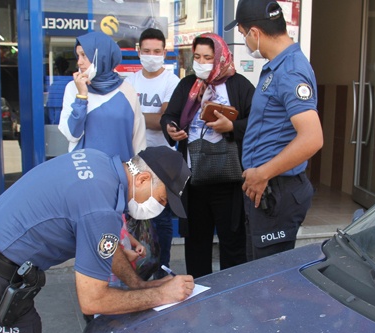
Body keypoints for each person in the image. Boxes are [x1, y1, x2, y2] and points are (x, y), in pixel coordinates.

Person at [0, 146, 194, 333]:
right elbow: (92, 300)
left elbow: (100, 240)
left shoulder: (97, 161)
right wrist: (163, 295)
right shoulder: (100, 209)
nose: (160, 209)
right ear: (141, 179)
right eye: (162, 200)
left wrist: (138, 285)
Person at [224, 0, 323, 260]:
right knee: (257, 273)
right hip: (265, 188)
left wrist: (263, 173)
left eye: (244, 34)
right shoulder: (278, 66)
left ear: (255, 33)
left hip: (276, 190)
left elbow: (312, 138)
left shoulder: (290, 71)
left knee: (268, 284)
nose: (245, 40)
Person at [161, 33, 254, 278]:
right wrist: (171, 127)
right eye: (198, 57)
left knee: (232, 242)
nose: (201, 62)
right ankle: (199, 294)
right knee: (196, 243)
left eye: (208, 58)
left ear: (221, 58)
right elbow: (170, 115)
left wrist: (232, 128)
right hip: (193, 180)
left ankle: (233, 292)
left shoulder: (239, 86)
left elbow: (258, 123)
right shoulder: (187, 85)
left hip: (229, 178)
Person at [124, 28, 180, 280]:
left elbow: (162, 120)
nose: (151, 56)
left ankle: (161, 272)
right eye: (146, 51)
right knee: (133, 219)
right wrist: (149, 116)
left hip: (161, 160)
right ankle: (137, 270)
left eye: (157, 51)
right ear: (138, 52)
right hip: (134, 160)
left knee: (161, 220)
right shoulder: (130, 82)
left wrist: (134, 115)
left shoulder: (172, 81)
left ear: (165, 52)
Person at [58, 31, 146, 162]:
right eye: (78, 56)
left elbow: (138, 139)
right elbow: (72, 135)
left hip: (121, 172)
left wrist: (138, 173)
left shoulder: (127, 90)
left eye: (84, 55)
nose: (79, 62)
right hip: (85, 172)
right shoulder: (73, 88)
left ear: (101, 56)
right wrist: (82, 96)